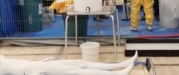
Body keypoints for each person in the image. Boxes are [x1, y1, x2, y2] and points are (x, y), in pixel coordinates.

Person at [0, 51, 138, 75]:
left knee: (80, 63)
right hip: (31, 70)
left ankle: (121, 65)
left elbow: (14, 63)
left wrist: (40, 62)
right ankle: (119, 73)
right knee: (75, 71)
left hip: (34, 65)